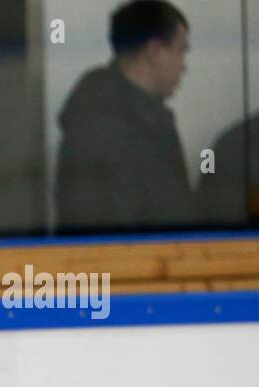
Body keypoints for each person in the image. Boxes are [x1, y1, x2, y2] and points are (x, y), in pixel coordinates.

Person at [55, 0, 195, 232]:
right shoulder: (101, 127)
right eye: (181, 51)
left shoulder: (142, 117)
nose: (184, 66)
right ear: (154, 51)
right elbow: (107, 233)